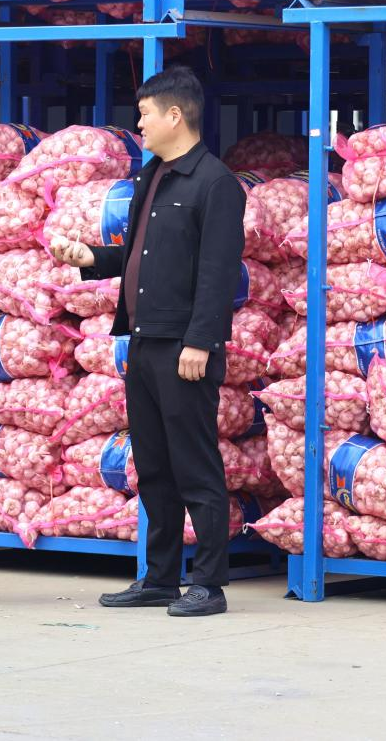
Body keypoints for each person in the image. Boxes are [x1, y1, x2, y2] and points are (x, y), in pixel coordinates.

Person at [50, 66, 246, 617]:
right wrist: (92, 258)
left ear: (175, 115)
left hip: (185, 348)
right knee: (154, 466)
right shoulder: (152, 176)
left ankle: (209, 583)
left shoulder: (215, 184)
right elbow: (142, 254)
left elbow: (218, 271)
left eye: (145, 115)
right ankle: (159, 577)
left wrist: (200, 341)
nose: (138, 125)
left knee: (194, 465)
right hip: (142, 342)